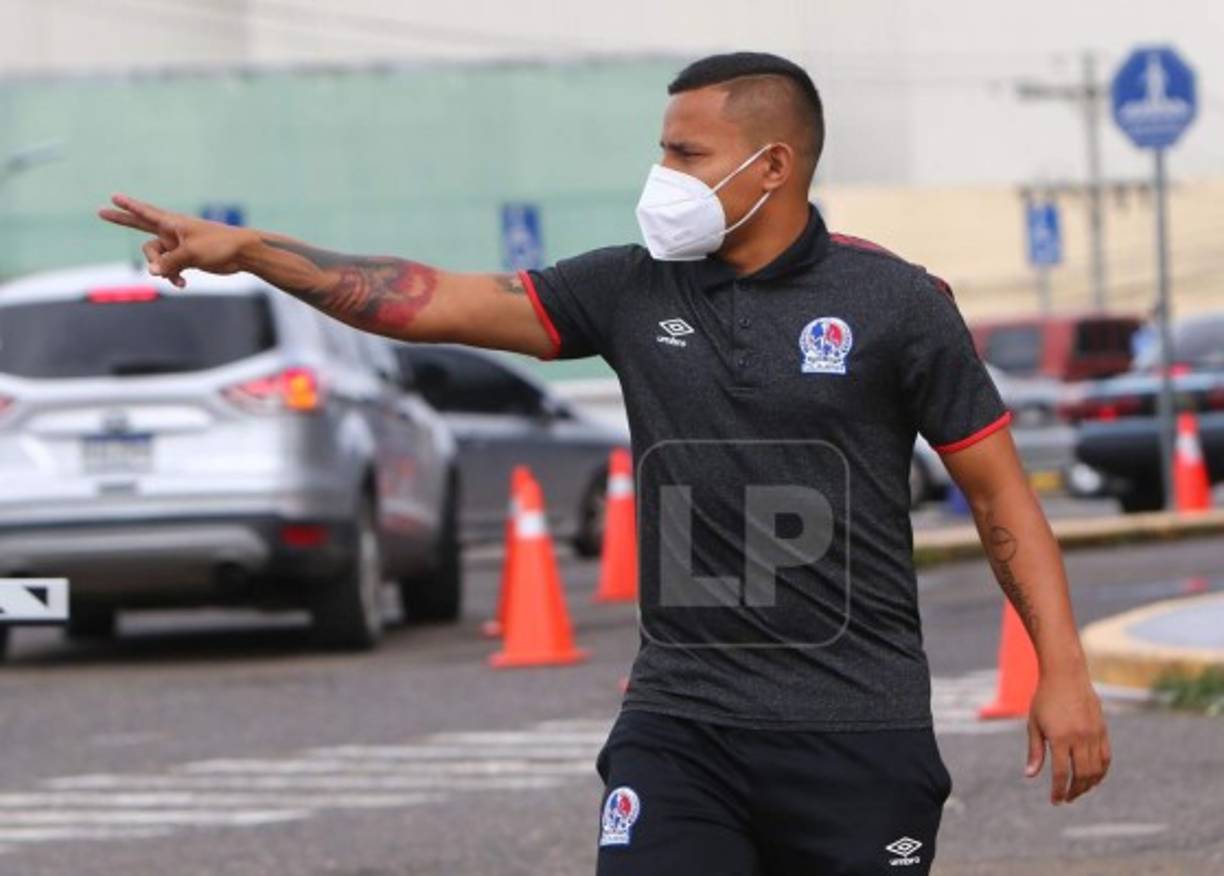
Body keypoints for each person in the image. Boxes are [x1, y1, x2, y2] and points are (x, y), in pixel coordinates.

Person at [98, 50, 1109, 876]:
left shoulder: (898, 305)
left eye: (684, 152)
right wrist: (258, 251)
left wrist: (1062, 672)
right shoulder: (629, 289)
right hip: (682, 726)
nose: (662, 175)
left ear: (770, 167)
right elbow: (433, 299)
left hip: (855, 729)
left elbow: (999, 496)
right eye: (660, 150)